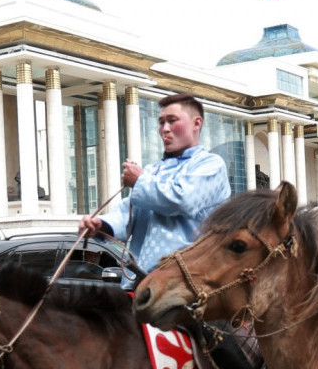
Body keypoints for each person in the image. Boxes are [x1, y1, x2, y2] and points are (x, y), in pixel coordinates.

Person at [80, 94, 230, 274]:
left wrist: (139, 181)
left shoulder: (210, 164)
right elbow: (127, 213)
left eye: (172, 121)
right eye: (161, 122)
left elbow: (183, 201)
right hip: (142, 280)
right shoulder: (153, 171)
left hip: (188, 282)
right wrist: (101, 224)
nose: (165, 129)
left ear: (196, 124)